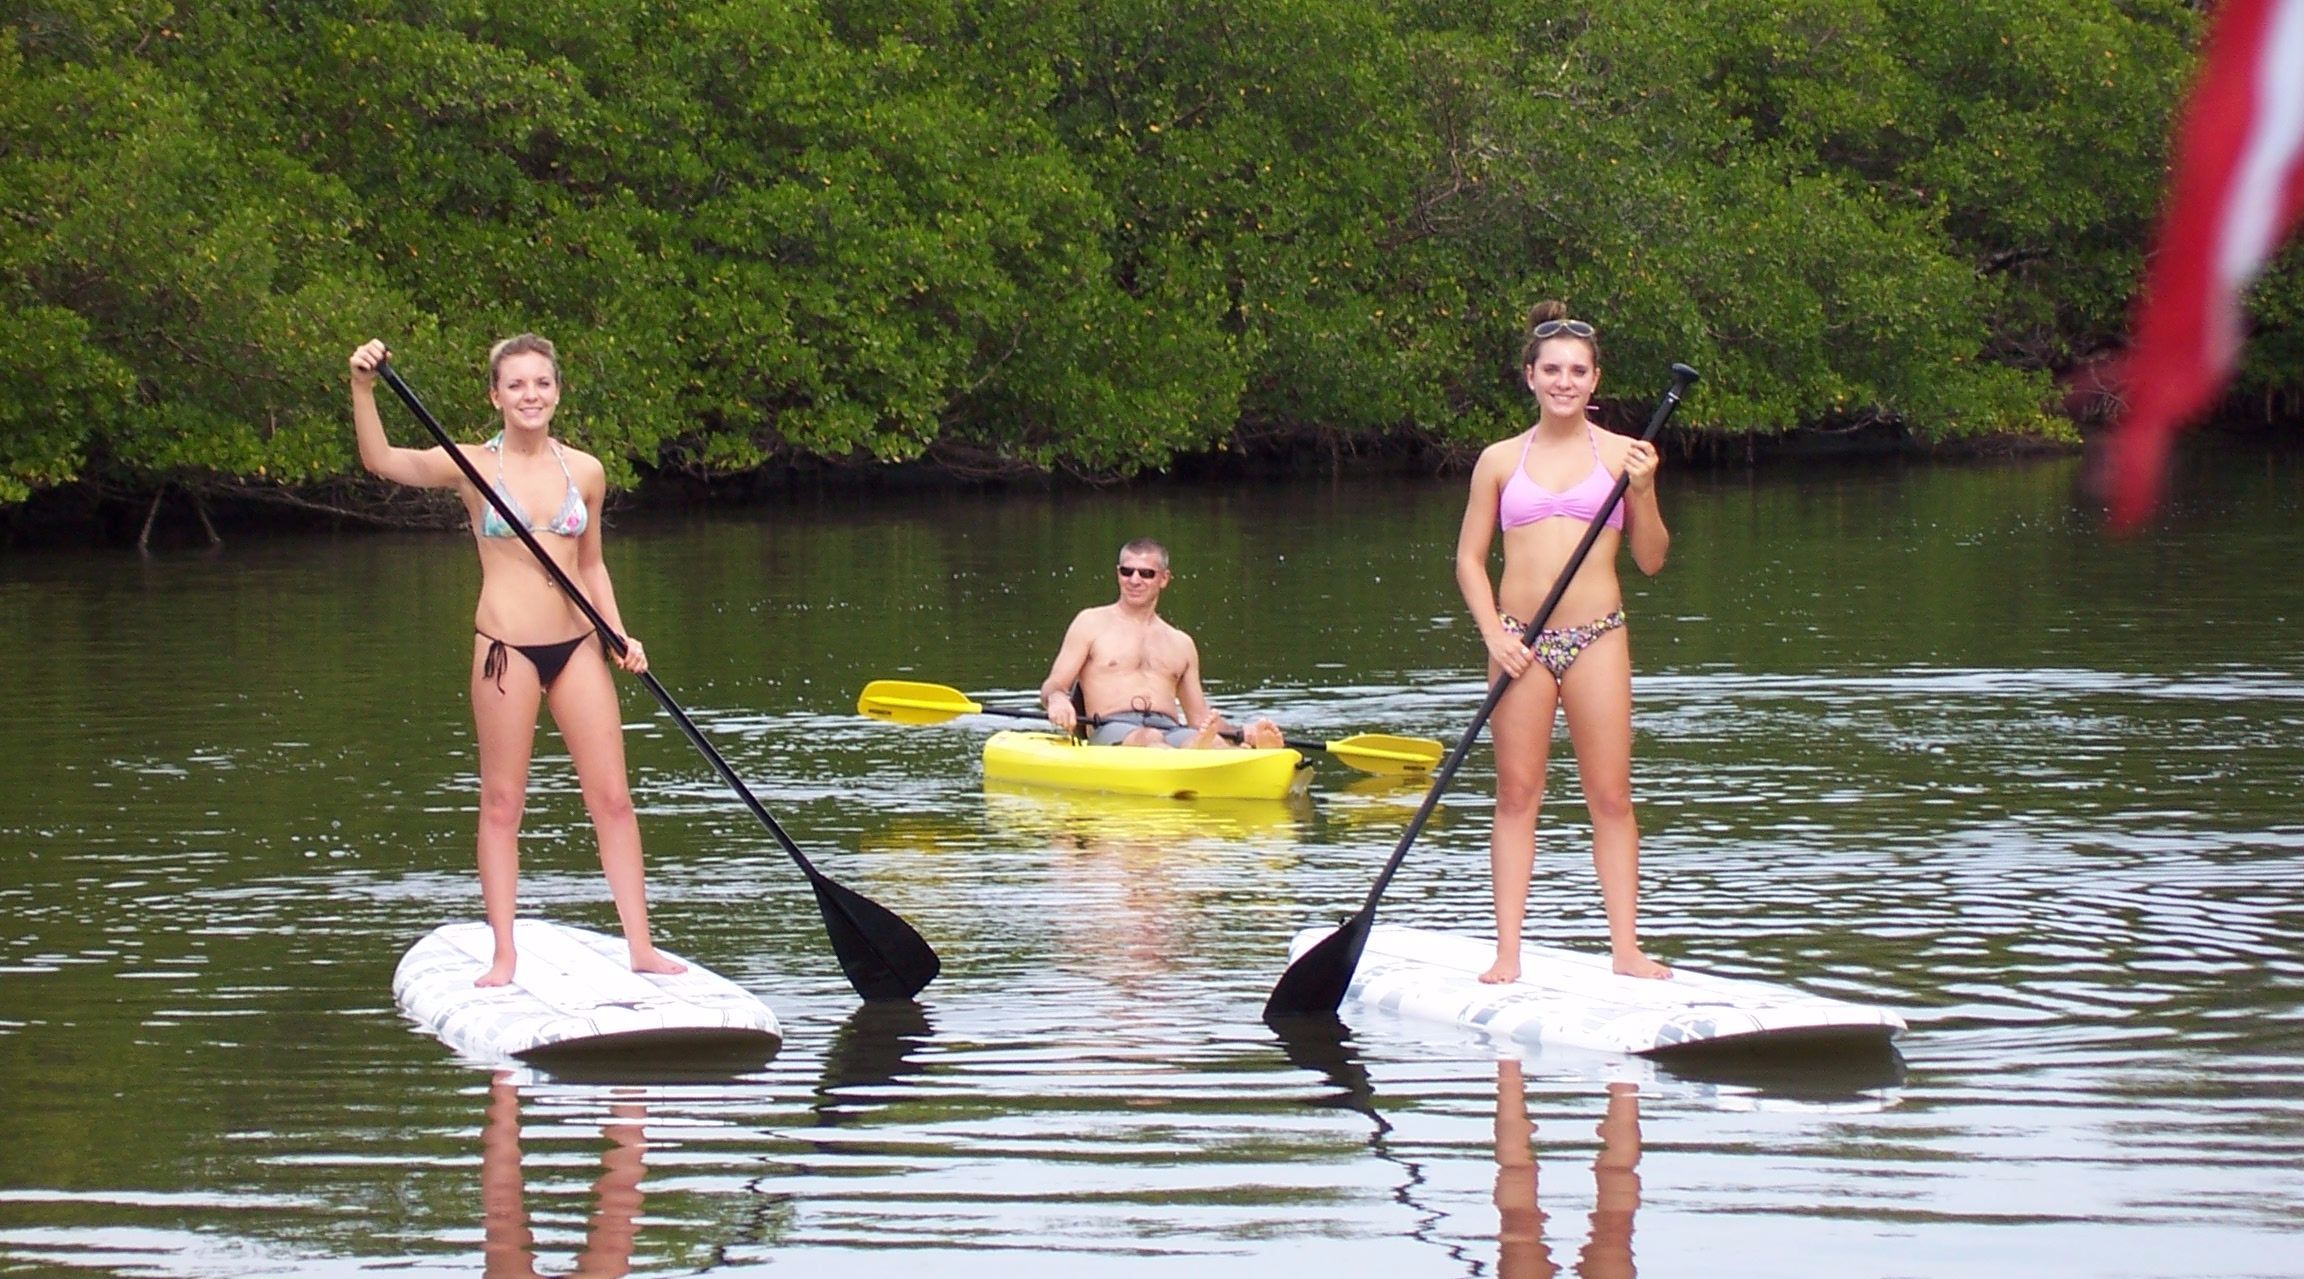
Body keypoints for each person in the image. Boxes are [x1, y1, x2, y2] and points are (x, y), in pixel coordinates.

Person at [349, 335, 683, 987]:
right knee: (503, 803)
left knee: (613, 798)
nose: (531, 395)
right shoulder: (471, 465)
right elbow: (383, 460)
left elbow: (591, 566)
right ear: (495, 395)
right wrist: (364, 388)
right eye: (517, 385)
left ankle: (640, 945)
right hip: (505, 650)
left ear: (557, 391)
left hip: (577, 646)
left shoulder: (585, 470)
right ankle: (504, 953)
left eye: (542, 383)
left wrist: (620, 634)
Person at [1455, 302, 1670, 983]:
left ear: (1595, 379)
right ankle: (1508, 953)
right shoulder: (1496, 461)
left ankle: (1626, 949)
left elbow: (1653, 558)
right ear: (1529, 376)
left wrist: (1648, 491)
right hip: (1517, 640)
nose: (1565, 381)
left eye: (1578, 370)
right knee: (1517, 793)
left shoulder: (1623, 456)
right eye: (1552, 369)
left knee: (1611, 796)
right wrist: (1494, 633)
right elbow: (1468, 559)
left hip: (1597, 636)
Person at [1038, 538, 1286, 750]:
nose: (1134, 580)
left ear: (1164, 579)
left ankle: (1226, 751)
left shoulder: (1182, 643)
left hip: (1170, 728)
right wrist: (1058, 699)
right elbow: (1054, 684)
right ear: (1118, 573)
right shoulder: (1090, 622)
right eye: (1127, 571)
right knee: (1150, 738)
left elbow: (1199, 717)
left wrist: (1242, 733)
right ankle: (1192, 755)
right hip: (1111, 728)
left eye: (1146, 573)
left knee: (1213, 743)